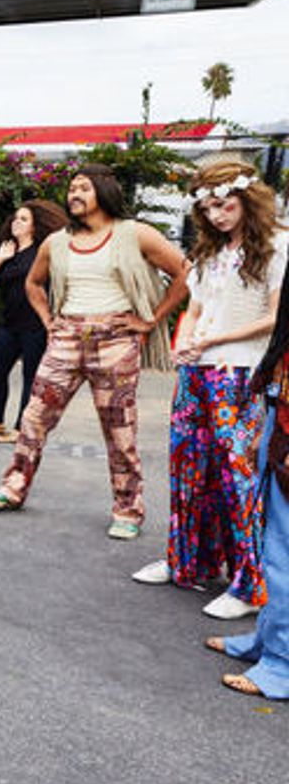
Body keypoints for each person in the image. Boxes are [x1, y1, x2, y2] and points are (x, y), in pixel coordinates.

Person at [0, 163, 189, 540]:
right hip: (67, 336)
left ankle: (128, 508)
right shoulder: (56, 241)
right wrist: (47, 320)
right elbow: (33, 283)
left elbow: (184, 273)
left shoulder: (134, 233)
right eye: (72, 188)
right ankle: (13, 487)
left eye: (83, 188)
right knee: (34, 417)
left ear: (104, 192)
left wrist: (150, 321)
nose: (74, 194)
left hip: (115, 338)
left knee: (119, 429)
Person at [130, 163, 286, 619]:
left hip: (241, 372)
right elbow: (195, 308)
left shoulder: (278, 246)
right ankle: (188, 560)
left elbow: (278, 317)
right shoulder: (209, 252)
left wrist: (214, 341)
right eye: (208, 207)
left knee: (238, 475)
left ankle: (249, 583)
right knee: (188, 466)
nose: (217, 215)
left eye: (225, 204)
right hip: (197, 371)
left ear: (247, 199)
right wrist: (185, 345)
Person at [205, 257, 289, 697]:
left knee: (285, 544)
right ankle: (269, 641)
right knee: (272, 531)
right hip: (280, 394)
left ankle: (283, 661)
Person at [0, 200, 70, 443]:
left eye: (24, 219)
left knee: (30, 377)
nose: (17, 221)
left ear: (35, 227)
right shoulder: (9, 253)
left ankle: (20, 428)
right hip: (10, 325)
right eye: (15, 217)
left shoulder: (41, 253)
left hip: (36, 327)